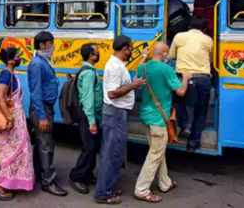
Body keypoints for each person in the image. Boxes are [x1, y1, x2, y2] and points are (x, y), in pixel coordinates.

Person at [134, 42, 191, 203]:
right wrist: (185, 78)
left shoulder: (144, 67)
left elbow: (136, 76)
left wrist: (143, 57)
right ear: (165, 54)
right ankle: (141, 189)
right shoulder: (166, 69)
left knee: (158, 151)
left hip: (146, 116)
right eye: (168, 54)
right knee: (155, 155)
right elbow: (180, 91)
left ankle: (164, 183)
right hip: (159, 120)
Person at [95, 35, 146, 205]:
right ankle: (103, 193)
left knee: (115, 153)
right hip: (115, 112)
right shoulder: (115, 67)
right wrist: (134, 85)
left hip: (117, 112)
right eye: (131, 48)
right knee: (112, 153)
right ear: (124, 48)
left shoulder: (118, 65)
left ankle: (108, 188)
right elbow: (112, 93)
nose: (132, 51)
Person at [0, 47, 35, 201]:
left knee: (20, 152)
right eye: (17, 56)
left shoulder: (10, 74)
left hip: (16, 119)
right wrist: (9, 118)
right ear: (10, 60)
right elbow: (0, 97)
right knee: (13, 154)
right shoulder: (6, 75)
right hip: (11, 120)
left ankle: (9, 183)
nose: (20, 57)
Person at [27, 31, 67, 197]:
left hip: (45, 107)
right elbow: (35, 92)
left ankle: (37, 174)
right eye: (50, 43)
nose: (53, 46)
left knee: (41, 144)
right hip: (41, 108)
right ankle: (48, 181)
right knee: (46, 145)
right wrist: (42, 116)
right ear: (42, 45)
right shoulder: (37, 63)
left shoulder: (43, 61)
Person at [170, 17, 213, 152]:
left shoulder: (179, 36)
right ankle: (193, 144)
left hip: (183, 77)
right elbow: (210, 59)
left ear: (189, 26)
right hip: (203, 78)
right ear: (204, 29)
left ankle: (185, 124)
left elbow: (171, 56)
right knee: (201, 111)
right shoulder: (208, 40)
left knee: (177, 100)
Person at [69, 43, 103, 194]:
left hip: (91, 116)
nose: (99, 54)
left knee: (93, 147)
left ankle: (88, 175)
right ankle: (77, 177)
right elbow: (88, 99)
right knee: (88, 148)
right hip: (88, 117)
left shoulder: (88, 70)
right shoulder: (88, 73)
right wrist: (92, 122)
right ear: (91, 55)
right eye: (97, 52)